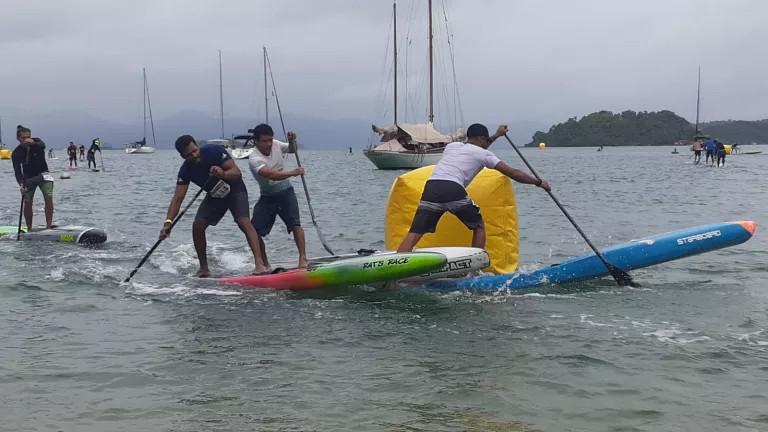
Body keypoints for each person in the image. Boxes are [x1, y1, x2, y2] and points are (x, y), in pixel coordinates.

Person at [397, 123, 551, 252]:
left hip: (431, 187)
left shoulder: (452, 146)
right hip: (452, 189)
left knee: (415, 232)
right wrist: (538, 182)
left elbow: (479, 146)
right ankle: (474, 270)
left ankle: (397, 266)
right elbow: (514, 173)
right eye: (486, 140)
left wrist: (497, 135)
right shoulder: (484, 155)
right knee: (478, 226)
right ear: (481, 138)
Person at [160, 135, 268, 277]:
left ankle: (260, 264)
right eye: (189, 155)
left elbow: (236, 173)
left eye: (195, 150)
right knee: (198, 225)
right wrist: (168, 223)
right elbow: (177, 199)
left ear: (197, 146)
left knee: (243, 221)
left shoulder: (214, 151)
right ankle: (204, 269)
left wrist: (222, 173)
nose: (194, 155)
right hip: (215, 195)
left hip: (235, 188)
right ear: (183, 156)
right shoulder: (185, 170)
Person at [247, 124, 308, 269]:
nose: (268, 144)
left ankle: (303, 258)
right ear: (256, 141)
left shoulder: (276, 144)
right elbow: (271, 175)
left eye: (270, 140)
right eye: (264, 141)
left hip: (286, 192)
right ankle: (265, 264)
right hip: (267, 196)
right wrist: (293, 172)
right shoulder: (254, 158)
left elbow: (292, 149)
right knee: (254, 231)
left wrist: (292, 140)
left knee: (295, 224)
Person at [11, 125, 55, 230]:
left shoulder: (37, 142)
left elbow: (43, 145)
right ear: (18, 139)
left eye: (28, 137)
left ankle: (48, 226)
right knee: (28, 201)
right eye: (24, 138)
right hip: (28, 179)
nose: (27, 139)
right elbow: (18, 172)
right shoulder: (16, 153)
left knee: (48, 198)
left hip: (44, 175)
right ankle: (29, 228)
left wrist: (33, 143)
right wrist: (21, 184)